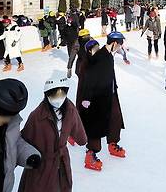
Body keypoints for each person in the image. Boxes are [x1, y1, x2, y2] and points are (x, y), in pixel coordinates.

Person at [19, 71, 87, 192]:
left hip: (61, 161)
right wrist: (28, 157)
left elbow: (77, 128)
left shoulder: (70, 109)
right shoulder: (37, 116)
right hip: (41, 164)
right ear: (47, 95)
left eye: (62, 94)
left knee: (61, 186)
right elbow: (23, 139)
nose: (59, 99)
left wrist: (81, 138)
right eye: (55, 95)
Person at [78, 34, 127, 172]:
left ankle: (113, 143)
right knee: (96, 125)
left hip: (110, 95)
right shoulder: (99, 57)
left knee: (115, 118)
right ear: (114, 43)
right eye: (119, 44)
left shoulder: (109, 54)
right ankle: (90, 155)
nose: (120, 47)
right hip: (97, 97)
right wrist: (86, 98)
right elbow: (89, 77)